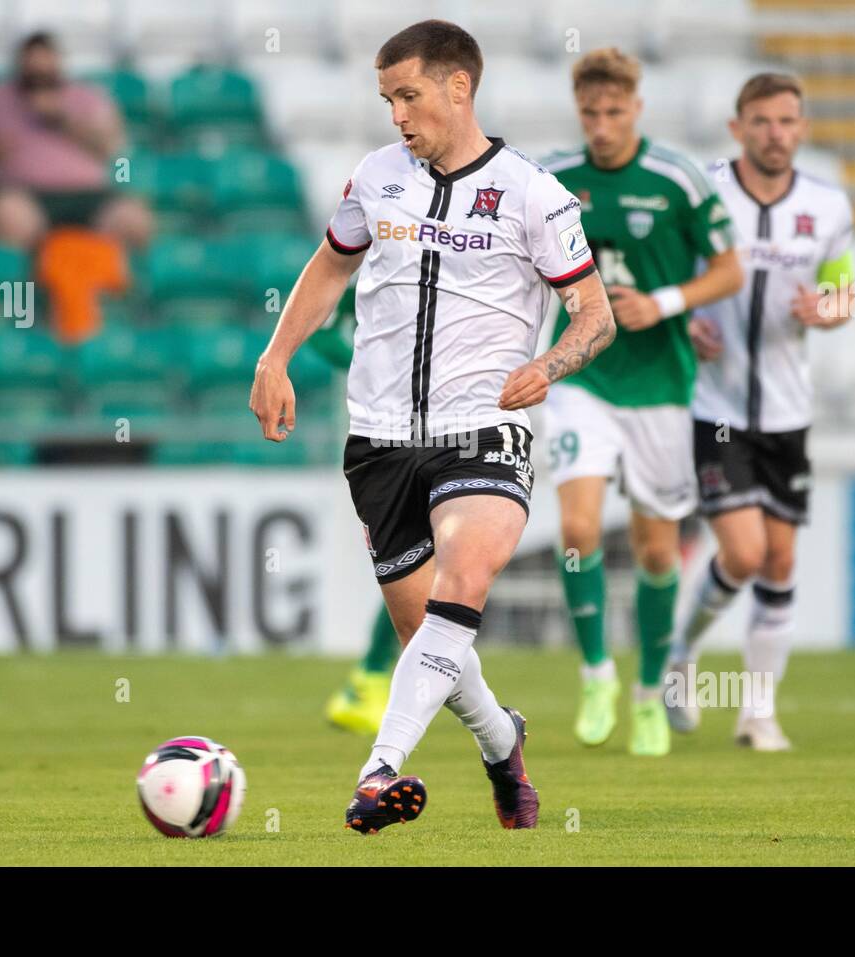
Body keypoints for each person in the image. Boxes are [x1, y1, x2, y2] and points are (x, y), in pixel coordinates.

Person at [250, 20, 615, 833]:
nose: (397, 117)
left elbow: (595, 314)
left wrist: (548, 366)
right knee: (429, 640)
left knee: (463, 582)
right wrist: (275, 357)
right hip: (378, 438)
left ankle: (377, 772)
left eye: (408, 96)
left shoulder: (532, 193)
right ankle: (502, 742)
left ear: (460, 88)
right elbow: (334, 263)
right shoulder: (376, 178)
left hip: (483, 427)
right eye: (387, 100)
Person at [540, 48, 742, 756]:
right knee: (578, 530)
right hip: (584, 378)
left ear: (637, 108)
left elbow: (729, 268)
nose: (601, 126)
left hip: (660, 386)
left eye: (614, 112)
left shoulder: (676, 179)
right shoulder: (553, 178)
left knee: (659, 550)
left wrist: (663, 303)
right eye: (590, 112)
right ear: (580, 109)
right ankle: (596, 671)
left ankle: (649, 690)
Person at [665, 73, 854, 751]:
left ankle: (758, 713)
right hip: (714, 407)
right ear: (736, 126)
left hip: (788, 411)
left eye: (788, 121)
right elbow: (665, 276)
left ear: (802, 128)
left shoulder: (828, 206)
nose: (776, 133)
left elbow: (842, 291)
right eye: (763, 121)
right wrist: (685, 321)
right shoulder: (705, 191)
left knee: (780, 560)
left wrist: (827, 311)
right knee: (743, 552)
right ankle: (680, 654)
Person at [0, 32, 152, 252]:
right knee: (9, 218)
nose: (39, 76)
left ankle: (109, 281)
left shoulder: (87, 97)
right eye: (33, 71)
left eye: (45, 71)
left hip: (89, 194)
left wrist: (63, 121)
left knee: (133, 219)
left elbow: (113, 146)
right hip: (22, 194)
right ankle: (27, 283)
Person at [311, 286, 400, 735]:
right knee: (420, 555)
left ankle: (371, 677)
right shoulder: (376, 258)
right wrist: (372, 374)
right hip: (386, 430)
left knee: (433, 557)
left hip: (457, 419)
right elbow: (319, 332)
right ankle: (373, 678)